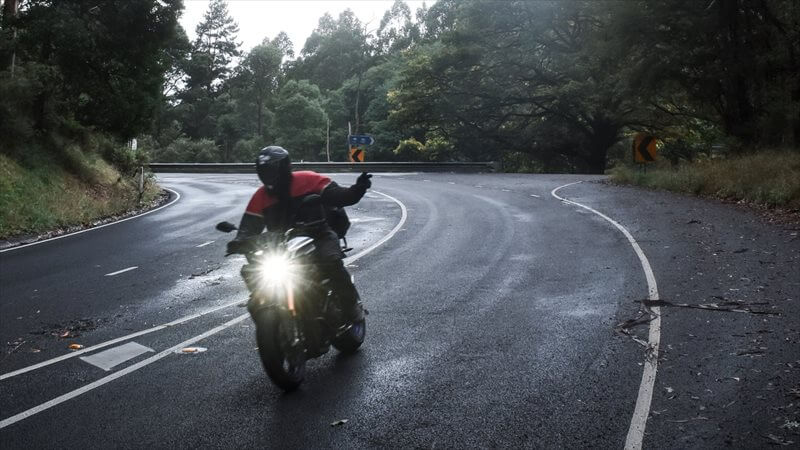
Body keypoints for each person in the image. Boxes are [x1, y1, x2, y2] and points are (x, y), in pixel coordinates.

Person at [226, 145, 372, 323]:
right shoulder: (261, 196)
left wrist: (358, 188)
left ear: (283, 167)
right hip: (281, 247)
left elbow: (339, 196)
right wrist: (239, 242)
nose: (268, 173)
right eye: (264, 169)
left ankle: (352, 308)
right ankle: (269, 311)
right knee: (253, 272)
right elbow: (248, 228)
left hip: (318, 236)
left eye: (271, 169)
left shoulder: (308, 180)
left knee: (331, 261)